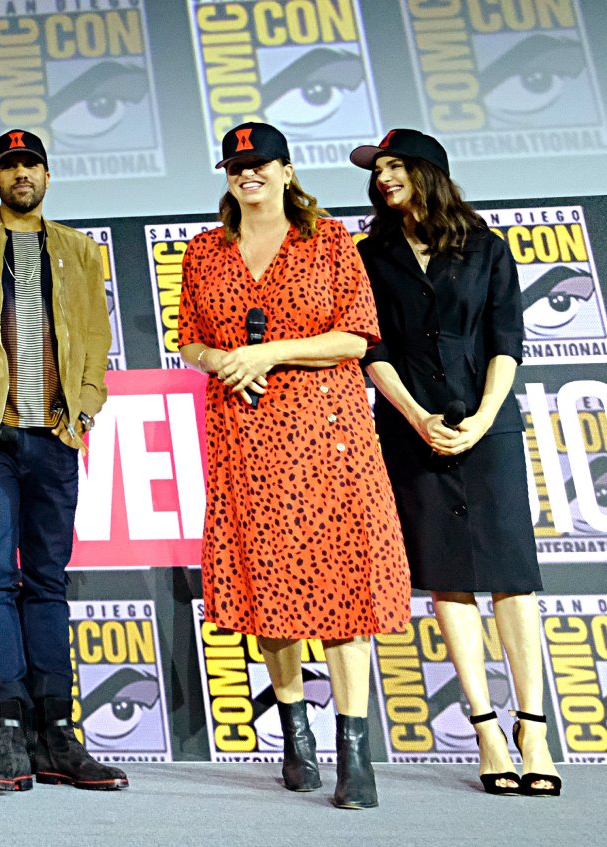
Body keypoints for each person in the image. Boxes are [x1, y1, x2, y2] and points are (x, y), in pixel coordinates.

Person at [178, 122, 410, 810]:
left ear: (285, 170)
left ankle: (355, 750)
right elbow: (190, 338)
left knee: (343, 593)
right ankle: (296, 737)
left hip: (328, 438)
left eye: (259, 164)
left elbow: (355, 335)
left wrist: (267, 353)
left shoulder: (330, 240)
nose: (246, 175)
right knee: (266, 591)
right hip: (245, 437)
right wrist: (222, 360)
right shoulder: (204, 251)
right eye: (234, 165)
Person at [351, 129, 562, 797]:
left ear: (427, 172)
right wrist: (417, 416)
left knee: (511, 579)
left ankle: (533, 728)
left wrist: (483, 416)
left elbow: (507, 338)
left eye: (394, 166)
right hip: (412, 433)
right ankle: (487, 731)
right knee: (448, 581)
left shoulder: (486, 247)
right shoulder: (370, 255)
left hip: (488, 428)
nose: (383, 177)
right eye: (377, 169)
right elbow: (372, 348)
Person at [0, 129, 127, 795]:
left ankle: (56, 731)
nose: (21, 174)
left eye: (30, 163)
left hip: (55, 437)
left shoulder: (78, 249)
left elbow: (96, 337)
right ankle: (6, 729)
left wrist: (84, 411)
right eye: (9, 165)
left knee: (48, 581)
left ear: (46, 173)